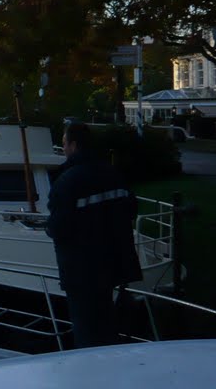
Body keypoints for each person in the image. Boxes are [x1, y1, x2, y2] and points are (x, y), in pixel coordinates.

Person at [46, 122, 141, 348]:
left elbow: (59, 226)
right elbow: (130, 209)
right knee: (107, 321)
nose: (64, 149)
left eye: (65, 144)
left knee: (86, 329)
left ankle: (89, 374)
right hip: (112, 264)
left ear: (74, 145)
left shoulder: (67, 181)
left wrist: (48, 227)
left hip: (82, 269)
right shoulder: (112, 173)